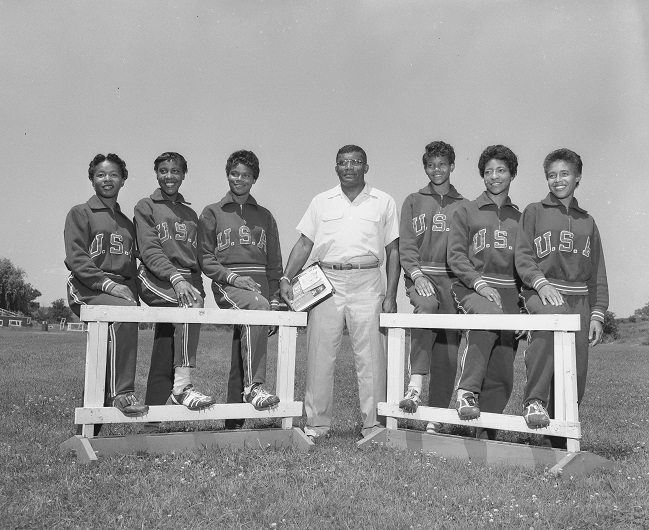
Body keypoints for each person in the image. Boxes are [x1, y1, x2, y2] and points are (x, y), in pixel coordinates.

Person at [280, 145, 400, 441]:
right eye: (343, 163)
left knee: (371, 357)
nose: (349, 167)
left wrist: (391, 295)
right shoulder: (321, 201)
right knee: (320, 355)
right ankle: (316, 425)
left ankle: (373, 425)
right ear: (336, 167)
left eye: (356, 162)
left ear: (366, 167)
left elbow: (393, 251)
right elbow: (305, 244)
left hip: (369, 280)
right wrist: (286, 276)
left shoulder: (383, 201)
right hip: (326, 281)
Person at [516, 148, 608, 448]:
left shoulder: (587, 221)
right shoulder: (534, 211)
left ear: (577, 177)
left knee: (575, 369)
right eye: (552, 175)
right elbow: (523, 256)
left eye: (564, 174)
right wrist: (540, 284)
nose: (558, 180)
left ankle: (558, 432)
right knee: (546, 325)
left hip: (578, 298)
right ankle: (534, 402)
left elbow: (597, 273)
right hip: (541, 290)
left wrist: (597, 313)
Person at [199, 150, 283, 429]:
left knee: (245, 342)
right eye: (235, 173)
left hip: (260, 287)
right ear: (227, 175)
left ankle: (234, 421)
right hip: (228, 284)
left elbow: (274, 263)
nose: (239, 179)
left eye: (246, 175)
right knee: (255, 310)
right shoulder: (213, 212)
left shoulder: (265, 215)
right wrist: (232, 278)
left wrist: (274, 297)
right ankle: (255, 386)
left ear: (254, 179)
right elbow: (206, 258)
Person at [134, 152, 215, 431]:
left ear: (183, 175)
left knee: (167, 343)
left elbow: (195, 263)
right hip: (156, 276)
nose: (170, 176)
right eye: (164, 171)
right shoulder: (146, 206)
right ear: (156, 173)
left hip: (185, 284)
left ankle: (152, 422)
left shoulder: (191, 215)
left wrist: (198, 291)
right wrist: (176, 278)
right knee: (187, 312)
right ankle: (182, 388)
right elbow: (149, 249)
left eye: (176, 171)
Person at [64, 153, 148, 418]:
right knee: (123, 312)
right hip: (86, 286)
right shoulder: (80, 212)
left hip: (121, 292)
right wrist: (109, 286)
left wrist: (134, 294)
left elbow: (131, 269)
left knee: (107, 347)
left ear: (123, 179)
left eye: (113, 174)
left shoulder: (126, 223)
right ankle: (121, 394)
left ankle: (92, 424)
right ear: (92, 180)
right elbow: (77, 258)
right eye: (100, 174)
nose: (107, 179)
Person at [447, 145, 521, 440]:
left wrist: (522, 302)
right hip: (472, 287)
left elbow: (525, 262)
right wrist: (479, 283)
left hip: (509, 292)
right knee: (488, 316)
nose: (494, 176)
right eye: (488, 171)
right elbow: (455, 256)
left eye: (501, 170)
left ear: (512, 174)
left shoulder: (521, 216)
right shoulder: (466, 209)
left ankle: (484, 432)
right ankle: (466, 392)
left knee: (503, 368)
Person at [398, 140, 465, 434]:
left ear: (452, 166)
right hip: (421, 275)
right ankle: (414, 386)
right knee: (426, 308)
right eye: (431, 165)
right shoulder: (413, 200)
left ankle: (436, 416)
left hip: (452, 280)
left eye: (442, 164)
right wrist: (416, 274)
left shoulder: (464, 204)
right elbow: (407, 245)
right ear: (425, 167)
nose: (436, 170)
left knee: (449, 352)